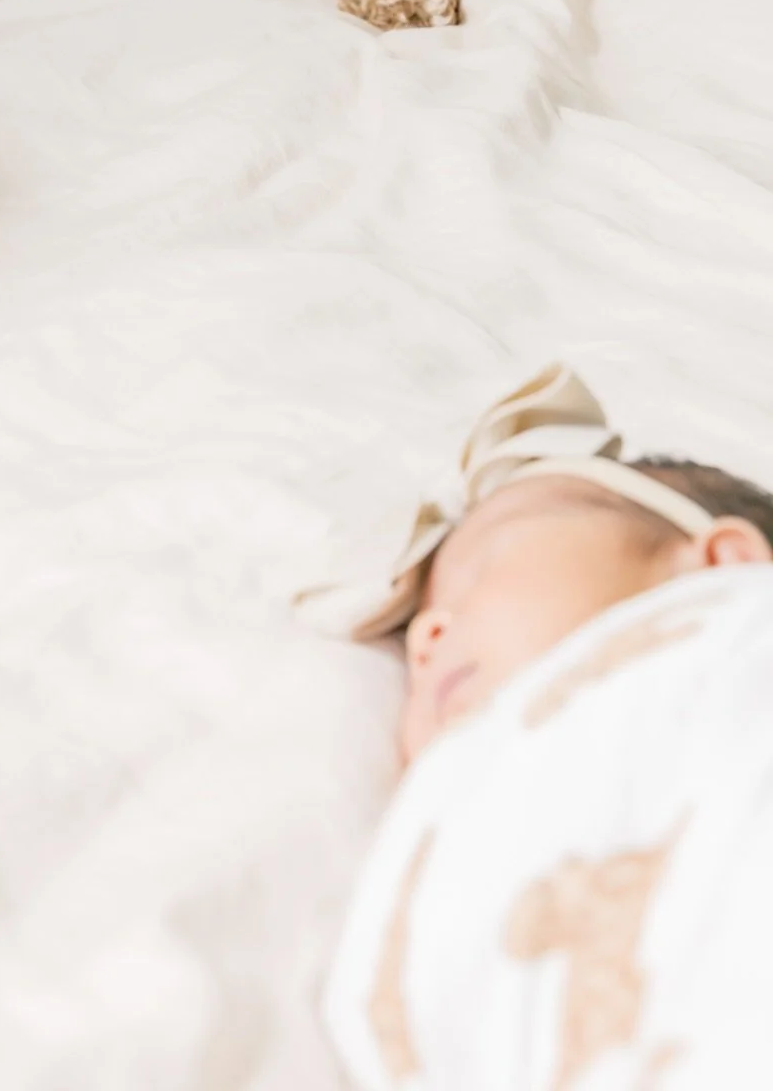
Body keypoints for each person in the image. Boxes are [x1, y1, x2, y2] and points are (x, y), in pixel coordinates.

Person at [310, 365, 773, 1091]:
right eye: (422, 629)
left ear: (721, 562)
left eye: (486, 565)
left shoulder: (736, 637)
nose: (429, 632)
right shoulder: (455, 825)